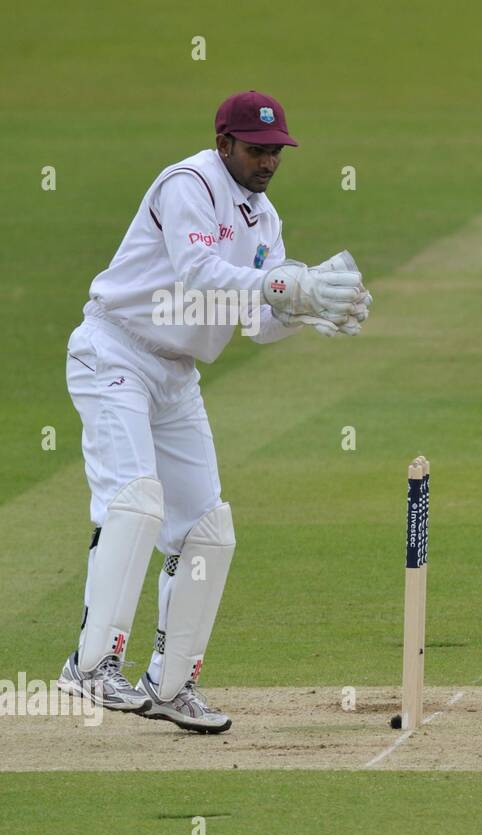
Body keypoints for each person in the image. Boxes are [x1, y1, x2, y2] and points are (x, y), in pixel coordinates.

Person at [57, 90, 372, 733]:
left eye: (276, 151)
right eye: (257, 150)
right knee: (135, 501)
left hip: (176, 375)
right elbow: (199, 274)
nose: (268, 162)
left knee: (208, 530)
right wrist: (287, 285)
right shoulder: (187, 184)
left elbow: (256, 318)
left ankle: (171, 685)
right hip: (114, 350)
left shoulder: (263, 217)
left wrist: (311, 313)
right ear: (224, 142)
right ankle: (90, 667)